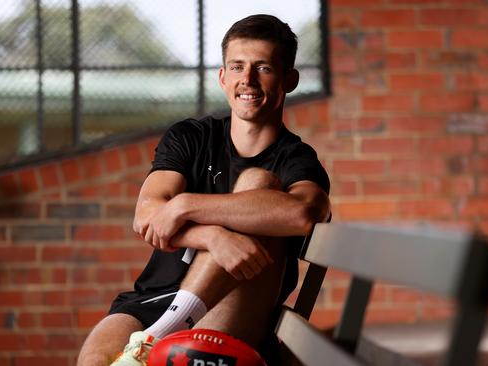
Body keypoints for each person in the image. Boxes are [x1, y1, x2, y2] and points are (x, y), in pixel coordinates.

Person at [77, 14, 330, 366]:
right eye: (237, 67)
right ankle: (156, 338)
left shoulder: (295, 159)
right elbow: (148, 215)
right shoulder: (190, 138)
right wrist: (213, 237)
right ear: (223, 77)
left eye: (264, 68)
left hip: (237, 305)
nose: (248, 80)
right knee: (94, 359)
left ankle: (157, 340)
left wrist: (184, 205)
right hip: (154, 301)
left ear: (290, 79)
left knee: (258, 183)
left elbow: (303, 212)